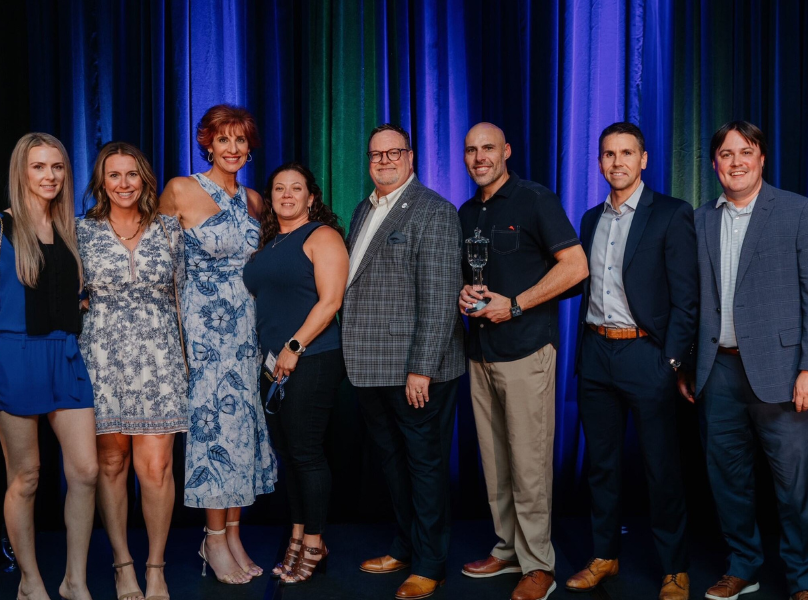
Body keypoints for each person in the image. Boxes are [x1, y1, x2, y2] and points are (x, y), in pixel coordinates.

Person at [679, 121, 808, 600]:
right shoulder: (699, 219)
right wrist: (688, 363)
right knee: (727, 480)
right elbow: (691, 299)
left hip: (786, 372)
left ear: (761, 158)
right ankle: (743, 565)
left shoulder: (800, 212)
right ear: (714, 163)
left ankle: (803, 581)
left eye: (745, 152)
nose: (736, 162)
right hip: (717, 371)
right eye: (726, 154)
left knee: (796, 485)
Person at [566, 122, 697, 600]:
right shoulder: (589, 219)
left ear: (643, 159)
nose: (616, 162)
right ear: (599, 162)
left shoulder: (671, 213)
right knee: (601, 466)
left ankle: (675, 568)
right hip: (597, 354)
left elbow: (687, 298)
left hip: (647, 354)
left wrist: (671, 363)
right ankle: (605, 555)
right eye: (608, 154)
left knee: (661, 468)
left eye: (626, 153)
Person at [456, 122, 587, 600]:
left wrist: (514, 305)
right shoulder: (467, 211)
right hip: (480, 352)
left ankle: (538, 565)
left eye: (488, 148)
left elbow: (576, 267)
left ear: (506, 151)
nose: (479, 157)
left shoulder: (535, 200)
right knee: (495, 462)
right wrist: (462, 294)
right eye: (471, 150)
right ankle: (508, 548)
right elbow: (472, 277)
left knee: (529, 464)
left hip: (526, 350)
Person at [0, 132, 98, 600]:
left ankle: (75, 581)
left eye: (57, 167)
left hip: (66, 355)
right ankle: (30, 581)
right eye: (39, 166)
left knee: (86, 471)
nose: (50, 176)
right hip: (14, 359)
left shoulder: (69, 229)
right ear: (21, 171)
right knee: (26, 477)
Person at [344, 123, 464, 600]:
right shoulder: (364, 209)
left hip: (416, 370)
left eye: (394, 153)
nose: (385, 161)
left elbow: (440, 296)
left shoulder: (434, 211)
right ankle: (406, 546)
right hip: (370, 365)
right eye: (376, 154)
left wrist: (422, 368)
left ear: (411, 157)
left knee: (424, 467)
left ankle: (431, 564)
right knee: (393, 465)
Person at [159, 104, 276, 585]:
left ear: (250, 148)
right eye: (222, 139)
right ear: (207, 144)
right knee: (214, 432)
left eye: (240, 140)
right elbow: (159, 264)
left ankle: (232, 536)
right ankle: (211, 539)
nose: (232, 148)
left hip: (246, 331)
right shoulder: (181, 189)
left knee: (241, 431)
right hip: (203, 332)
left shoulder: (255, 201)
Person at [77, 141, 187, 600]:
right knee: (111, 462)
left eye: (132, 174)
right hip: (102, 359)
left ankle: (155, 566)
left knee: (156, 468)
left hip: (160, 359)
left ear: (144, 178)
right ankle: (123, 564)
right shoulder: (81, 231)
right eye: (114, 175)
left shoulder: (170, 228)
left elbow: (184, 296)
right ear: (102, 182)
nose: (124, 184)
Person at [243, 162, 348, 585]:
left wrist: (294, 347)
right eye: (279, 189)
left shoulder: (321, 236)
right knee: (289, 453)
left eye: (296, 188)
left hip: (312, 357)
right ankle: (298, 535)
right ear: (270, 198)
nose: (287, 195)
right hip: (274, 362)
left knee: (306, 453)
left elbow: (331, 301)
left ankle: (315, 544)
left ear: (311, 197)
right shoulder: (270, 243)